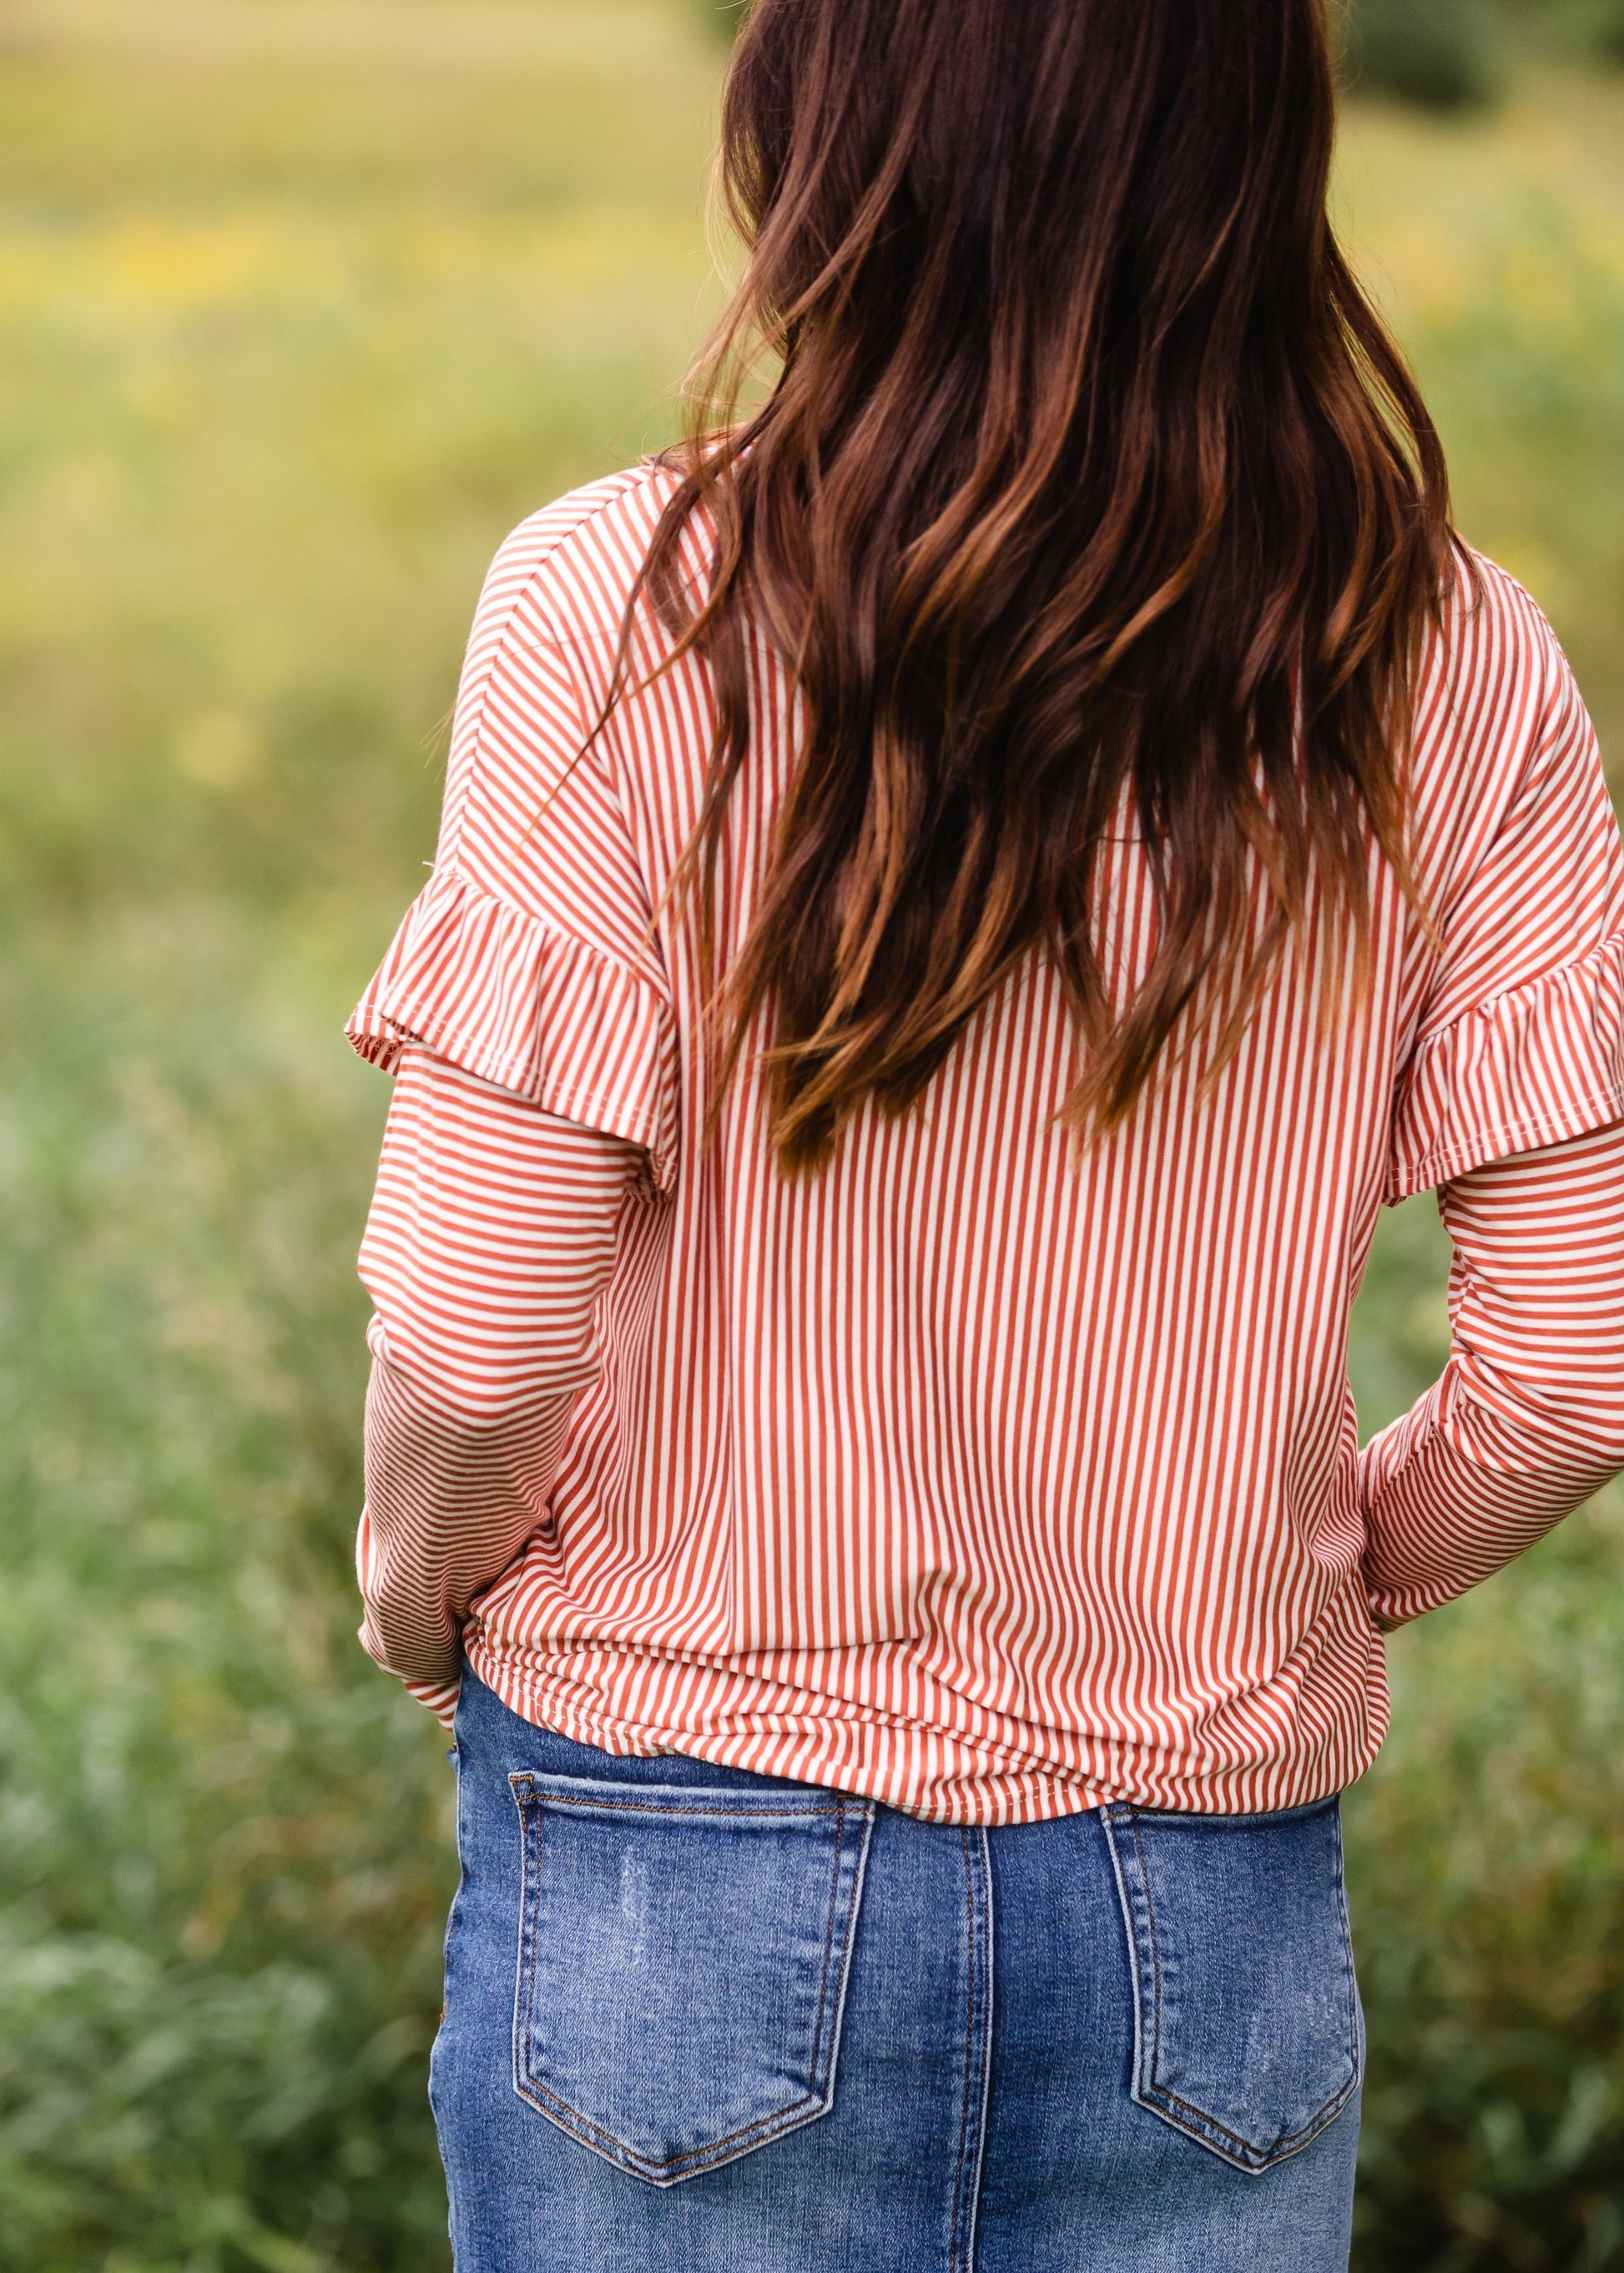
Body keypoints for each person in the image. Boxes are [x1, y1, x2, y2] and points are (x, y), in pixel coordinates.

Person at [344, 1, 1624, 2265]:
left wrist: (416, 1584)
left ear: (823, 133)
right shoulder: (1454, 654)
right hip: (1198, 1897)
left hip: (675, 1837)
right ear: (1255, 154)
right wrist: (1311, 1571)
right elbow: (1583, 1358)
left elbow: (473, 1337)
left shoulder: (625, 608)